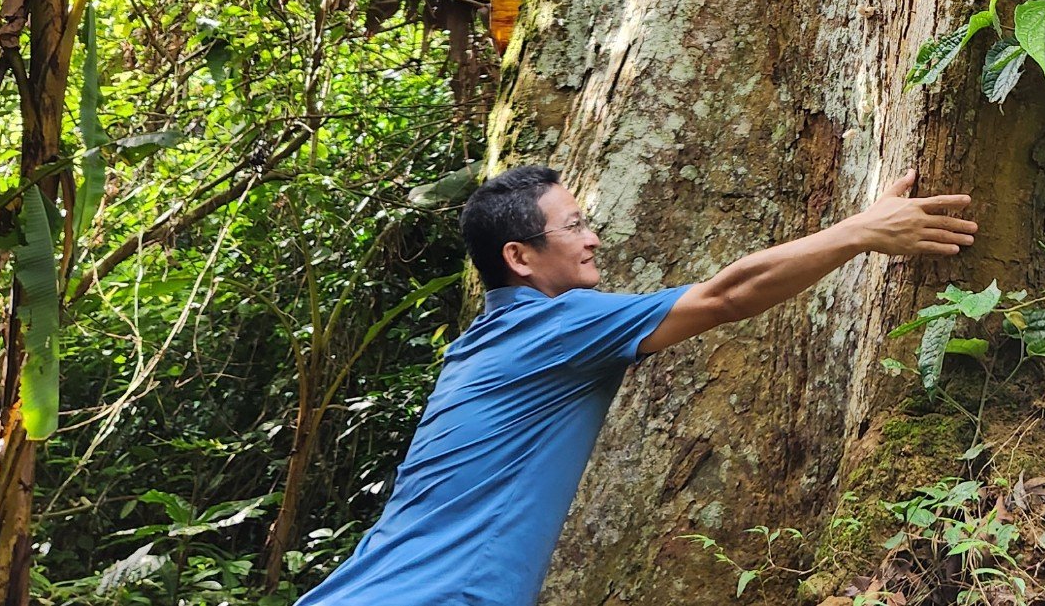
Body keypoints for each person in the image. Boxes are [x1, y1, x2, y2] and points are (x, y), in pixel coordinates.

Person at [292, 163, 978, 606]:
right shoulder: (552, 329)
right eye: (575, 226)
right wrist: (860, 231)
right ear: (519, 256)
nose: (592, 238)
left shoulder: (484, 342)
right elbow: (726, 296)